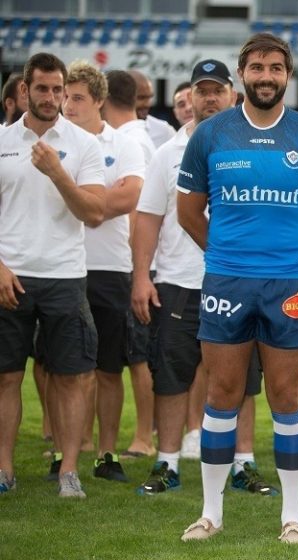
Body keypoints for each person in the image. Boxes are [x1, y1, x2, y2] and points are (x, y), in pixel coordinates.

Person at [176, 34, 298, 544]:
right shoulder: (211, 134)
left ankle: (292, 515)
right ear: (242, 73)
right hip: (226, 281)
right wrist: (227, 257)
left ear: (287, 75)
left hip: (288, 284)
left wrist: (291, 261)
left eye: (275, 68)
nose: (266, 76)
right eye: (256, 68)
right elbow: (188, 212)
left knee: (286, 395)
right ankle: (211, 513)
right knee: (222, 393)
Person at [131, 58, 278, 499]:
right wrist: (142, 276)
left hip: (240, 281)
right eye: (202, 90)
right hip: (179, 281)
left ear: (232, 94)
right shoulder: (167, 153)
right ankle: (168, 463)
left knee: (243, 380)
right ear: (189, 98)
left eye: (217, 90)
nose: (209, 98)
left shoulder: (254, 145)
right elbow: (148, 217)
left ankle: (243, 463)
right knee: (172, 376)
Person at [0, 52, 106, 497]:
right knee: (6, 376)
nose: (50, 97)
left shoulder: (84, 145)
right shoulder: (2, 141)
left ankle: (69, 471)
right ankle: (4, 468)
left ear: (65, 92)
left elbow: (95, 213)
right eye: (41, 88)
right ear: (25, 89)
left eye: (57, 89)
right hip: (10, 274)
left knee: (72, 376)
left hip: (64, 276)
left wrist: (57, 171)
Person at [62, 60, 146, 483]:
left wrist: (83, 205)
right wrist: (93, 202)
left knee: (109, 368)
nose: (69, 105)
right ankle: (66, 452)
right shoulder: (55, 142)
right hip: (63, 266)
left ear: (98, 100)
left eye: (78, 97)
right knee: (65, 369)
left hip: (110, 266)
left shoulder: (123, 143)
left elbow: (129, 195)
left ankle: (106, 453)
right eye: (65, 96)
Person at [100, 68, 156, 459]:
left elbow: (141, 210)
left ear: (103, 99)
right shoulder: (139, 138)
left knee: (138, 356)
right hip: (133, 262)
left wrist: (139, 268)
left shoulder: (130, 142)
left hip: (132, 262)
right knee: (125, 356)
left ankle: (143, 436)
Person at [128, 69, 176, 147]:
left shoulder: (164, 131)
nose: (147, 104)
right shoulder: (107, 130)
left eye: (149, 98)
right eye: (141, 98)